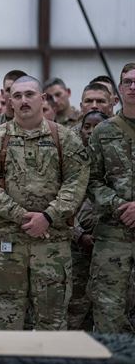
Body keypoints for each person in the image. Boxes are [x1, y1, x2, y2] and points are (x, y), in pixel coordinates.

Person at [0, 76, 89, 330]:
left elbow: (76, 183)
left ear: (42, 99)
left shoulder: (66, 139)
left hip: (52, 245)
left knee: (53, 322)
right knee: (6, 321)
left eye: (29, 95)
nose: (23, 101)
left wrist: (47, 217)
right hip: (8, 246)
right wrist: (21, 216)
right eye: (17, 96)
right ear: (10, 102)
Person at [86, 62, 135, 333]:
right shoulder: (103, 132)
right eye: (127, 81)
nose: (133, 86)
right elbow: (91, 181)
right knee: (108, 313)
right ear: (119, 89)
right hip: (112, 237)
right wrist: (119, 206)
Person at [67, 110, 108, 331]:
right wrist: (79, 234)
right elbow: (60, 203)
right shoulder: (70, 160)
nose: (91, 131)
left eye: (97, 127)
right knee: (75, 307)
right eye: (87, 126)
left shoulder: (114, 160)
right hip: (76, 247)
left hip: (110, 243)